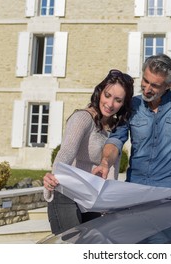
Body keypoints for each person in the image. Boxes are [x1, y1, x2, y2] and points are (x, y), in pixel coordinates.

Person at [93, 54, 171, 188]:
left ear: (168, 85)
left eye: (154, 85)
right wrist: (105, 163)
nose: (147, 89)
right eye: (145, 81)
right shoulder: (132, 104)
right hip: (135, 188)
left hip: (170, 190)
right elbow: (116, 140)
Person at [43, 69, 134, 235]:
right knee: (73, 246)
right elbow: (66, 152)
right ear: (100, 92)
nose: (110, 103)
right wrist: (51, 180)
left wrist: (109, 202)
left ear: (123, 103)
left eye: (118, 100)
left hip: (92, 197)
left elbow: (112, 169)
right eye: (107, 95)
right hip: (67, 193)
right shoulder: (82, 118)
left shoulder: (116, 129)